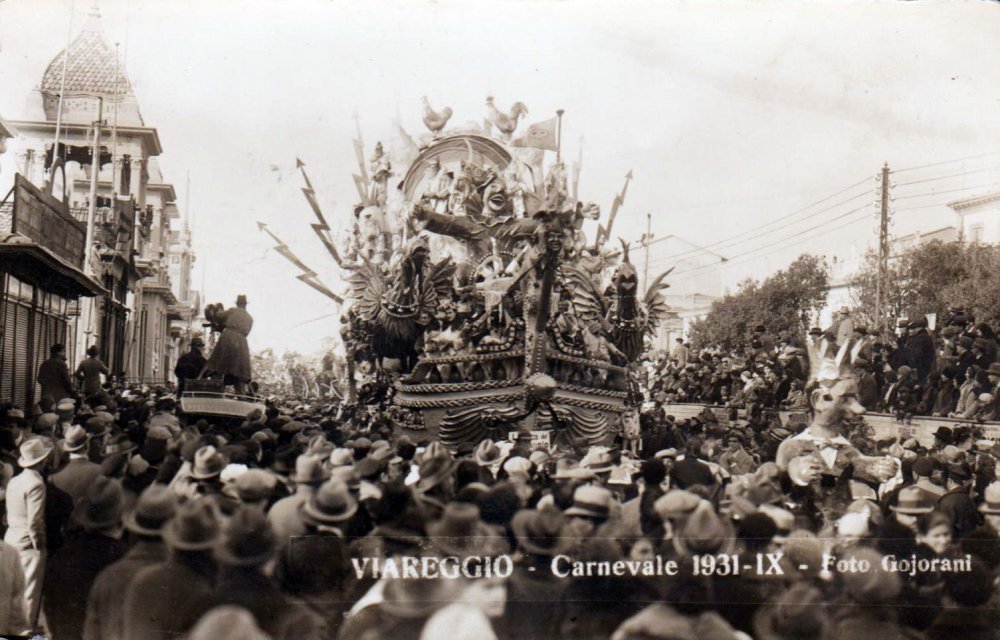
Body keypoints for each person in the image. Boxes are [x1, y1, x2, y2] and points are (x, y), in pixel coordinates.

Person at [3, 438, 52, 634]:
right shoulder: (37, 485)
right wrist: (40, 546)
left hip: (11, 537)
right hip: (27, 543)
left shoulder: (15, 480)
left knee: (10, 588)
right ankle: (25, 631)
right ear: (41, 461)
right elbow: (35, 521)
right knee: (29, 592)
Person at [205, 295, 254, 395]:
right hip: (242, 342)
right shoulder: (250, 318)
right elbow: (246, 332)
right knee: (240, 370)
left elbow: (217, 316)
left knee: (217, 366)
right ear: (245, 305)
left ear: (237, 304)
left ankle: (215, 392)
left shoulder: (233, 311)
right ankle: (241, 395)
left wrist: (216, 310)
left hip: (228, 338)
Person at [37, 343, 73, 413]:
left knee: (48, 416)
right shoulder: (62, 364)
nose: (64, 353)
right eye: (63, 351)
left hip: (47, 396)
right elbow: (67, 380)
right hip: (60, 397)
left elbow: (39, 379)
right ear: (58, 352)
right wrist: (71, 390)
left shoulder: (44, 364)